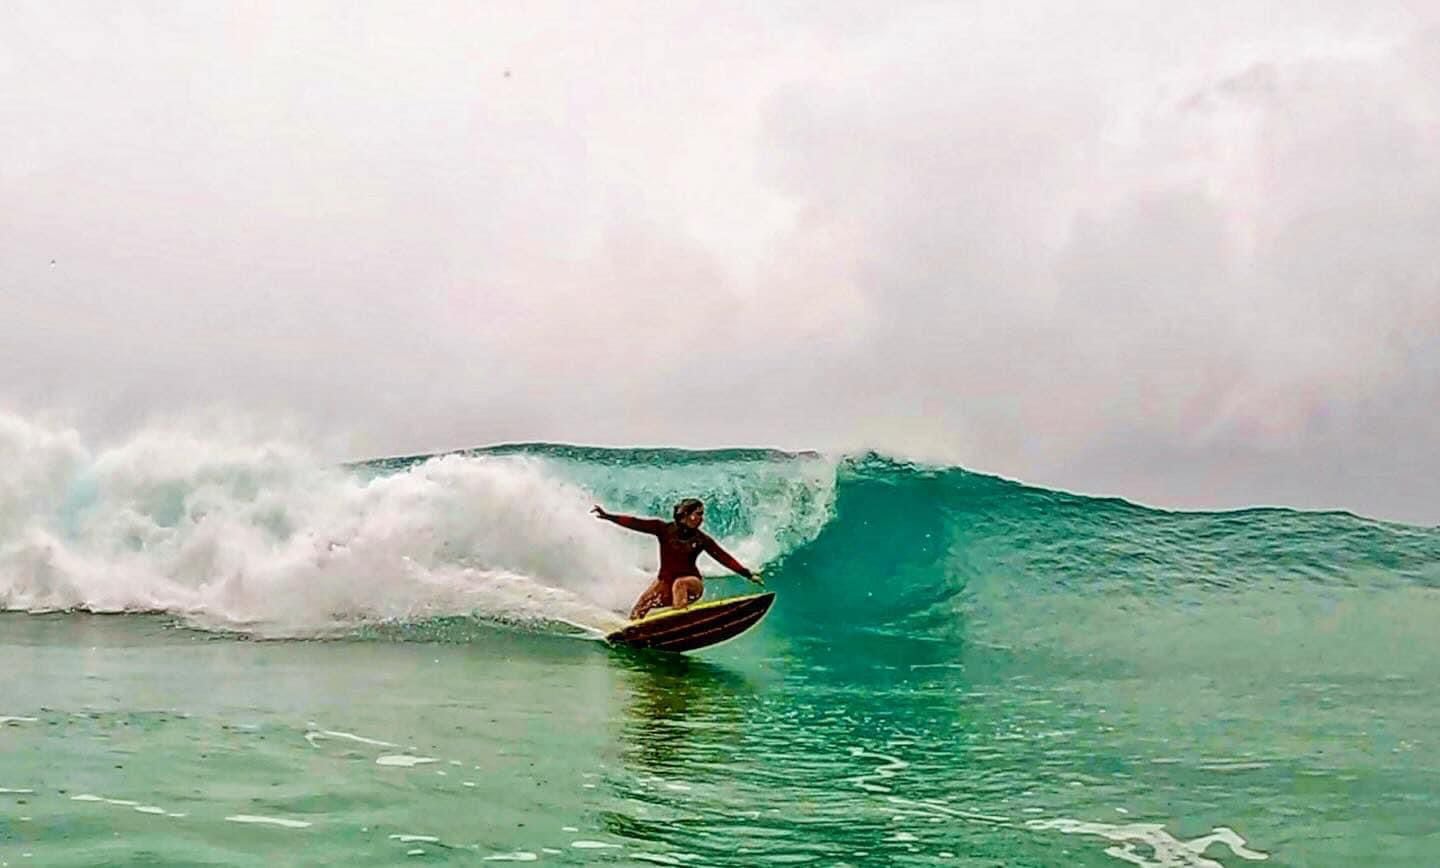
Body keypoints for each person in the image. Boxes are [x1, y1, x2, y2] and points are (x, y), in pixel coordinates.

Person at [592, 498, 763, 620]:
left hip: (691, 585)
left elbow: (723, 557)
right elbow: (636, 523)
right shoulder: (664, 529)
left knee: (680, 584)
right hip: (665, 583)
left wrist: (747, 574)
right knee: (640, 609)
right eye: (698, 514)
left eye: (702, 515)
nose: (701, 519)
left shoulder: (701, 539)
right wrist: (608, 516)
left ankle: (679, 619)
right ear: (685, 515)